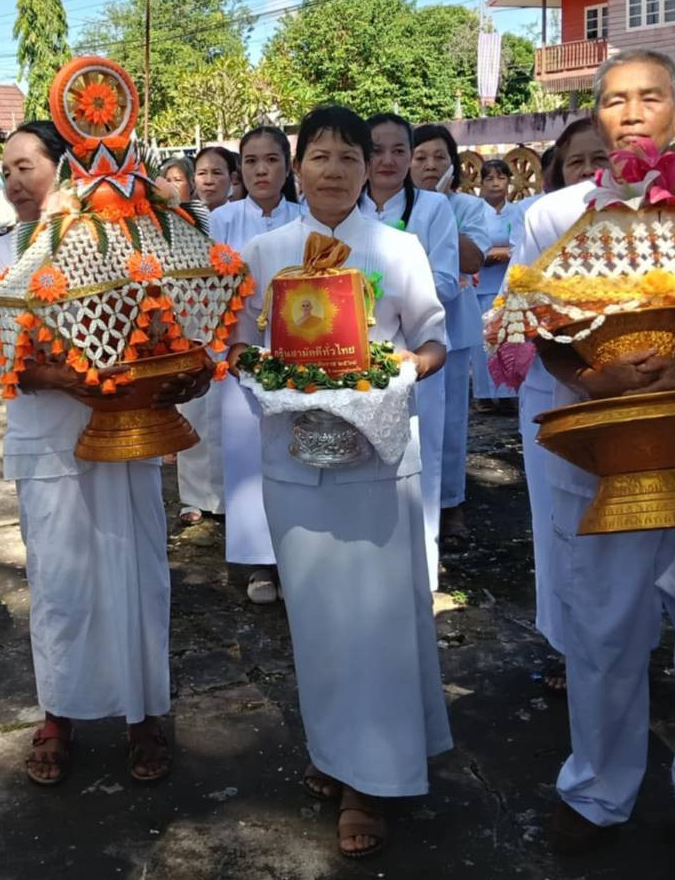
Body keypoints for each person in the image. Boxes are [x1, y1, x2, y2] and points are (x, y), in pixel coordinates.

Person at [509, 49, 675, 874]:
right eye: (614, 100)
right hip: (601, 452)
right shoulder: (553, 217)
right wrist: (593, 379)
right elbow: (532, 330)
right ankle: (595, 791)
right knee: (604, 634)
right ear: (595, 113)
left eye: (648, 97)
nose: (629, 113)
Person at [230, 105, 450, 859]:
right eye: (317, 155)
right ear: (297, 167)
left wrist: (388, 376)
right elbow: (238, 347)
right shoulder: (263, 253)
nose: (331, 169)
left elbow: (431, 341)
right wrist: (276, 380)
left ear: (369, 167)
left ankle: (372, 781)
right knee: (319, 622)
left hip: (379, 460)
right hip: (292, 458)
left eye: (346, 156)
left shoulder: (399, 248)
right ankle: (335, 752)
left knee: (379, 621)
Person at [0, 121, 210, 788]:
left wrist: (179, 372)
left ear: (67, 171)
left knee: (138, 577)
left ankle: (143, 715)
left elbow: (167, 331)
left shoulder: (126, 246)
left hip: (128, 433)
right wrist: (64, 377)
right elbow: (4, 361)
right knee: (59, 588)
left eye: (28, 166)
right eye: (7, 170)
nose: (16, 181)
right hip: (48, 443)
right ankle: (59, 716)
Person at [515, 119, 608, 695]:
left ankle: (632, 644)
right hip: (557, 394)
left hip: (648, 398)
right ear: (559, 171)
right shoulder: (547, 218)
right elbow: (525, 315)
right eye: (578, 163)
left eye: (603, 158)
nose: (590, 172)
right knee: (563, 530)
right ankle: (571, 648)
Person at [362, 113, 461, 586]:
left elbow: (446, 281)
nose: (387, 160)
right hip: (353, 352)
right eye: (376, 150)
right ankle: (369, 565)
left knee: (421, 458)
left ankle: (421, 566)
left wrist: (381, 296)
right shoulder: (347, 206)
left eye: (398, 150)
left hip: (417, 351)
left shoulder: (432, 207)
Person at [210, 126, 303, 604]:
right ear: (240, 169)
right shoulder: (219, 221)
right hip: (242, 353)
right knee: (248, 458)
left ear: (289, 168)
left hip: (298, 356)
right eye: (250, 161)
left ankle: (299, 556)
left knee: (295, 452)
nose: (261, 170)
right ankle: (259, 562)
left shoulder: (308, 220)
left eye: (271, 160)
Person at [410, 124, 492, 551]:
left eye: (438, 158)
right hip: (407, 331)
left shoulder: (467, 208)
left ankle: (451, 502)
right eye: (420, 157)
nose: (429, 165)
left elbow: (475, 257)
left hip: (454, 330)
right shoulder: (398, 204)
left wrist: (440, 210)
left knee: (452, 424)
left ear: (453, 164)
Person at [174, 148, 240, 526]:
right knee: (195, 409)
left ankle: (233, 495)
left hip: (235, 324)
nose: (210, 179)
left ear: (233, 177)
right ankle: (194, 496)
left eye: (218, 172)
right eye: (202, 173)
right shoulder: (179, 221)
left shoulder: (244, 218)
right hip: (193, 321)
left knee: (231, 415)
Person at [472, 159, 521, 409]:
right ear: (482, 183)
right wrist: (497, 253)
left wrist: (497, 252)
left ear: (509, 182)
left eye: (501, 178)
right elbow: (476, 248)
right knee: (482, 340)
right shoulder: (475, 211)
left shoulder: (517, 211)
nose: (495, 183)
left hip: (508, 282)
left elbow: (519, 246)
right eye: (489, 178)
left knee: (506, 337)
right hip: (480, 284)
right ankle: (483, 395)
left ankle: (507, 393)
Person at [192, 146, 237, 212]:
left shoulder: (243, 219)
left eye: (216, 173)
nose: (208, 181)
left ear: (232, 178)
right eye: (202, 173)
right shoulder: (182, 219)